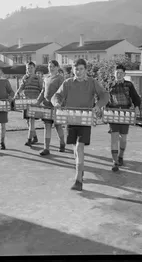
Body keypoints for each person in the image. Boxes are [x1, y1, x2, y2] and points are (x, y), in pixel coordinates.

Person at [52, 58, 110, 191]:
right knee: (74, 148)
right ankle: (80, 169)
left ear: (86, 70)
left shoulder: (92, 82)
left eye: (81, 69)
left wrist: (98, 106)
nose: (78, 72)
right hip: (70, 120)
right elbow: (56, 96)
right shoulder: (67, 83)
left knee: (79, 148)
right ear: (73, 70)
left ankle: (78, 180)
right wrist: (57, 103)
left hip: (85, 120)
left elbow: (104, 95)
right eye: (76, 69)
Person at [107, 64, 141, 172]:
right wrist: (103, 108)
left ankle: (121, 156)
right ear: (114, 74)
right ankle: (115, 161)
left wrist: (136, 107)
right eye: (117, 72)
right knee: (114, 138)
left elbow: (135, 97)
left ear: (124, 74)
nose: (119, 74)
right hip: (113, 113)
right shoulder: (109, 85)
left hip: (126, 113)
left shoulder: (129, 85)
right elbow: (105, 98)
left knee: (123, 138)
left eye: (121, 73)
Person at [36, 60, 66, 156]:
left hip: (56, 106)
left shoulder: (60, 78)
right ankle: (46, 148)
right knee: (47, 126)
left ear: (57, 67)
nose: (51, 68)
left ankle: (62, 143)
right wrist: (38, 101)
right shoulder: (46, 78)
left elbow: (63, 93)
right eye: (49, 66)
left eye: (53, 66)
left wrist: (60, 104)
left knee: (58, 126)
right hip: (46, 106)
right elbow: (43, 91)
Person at [14, 62, 43, 146]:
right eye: (27, 68)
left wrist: (40, 100)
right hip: (26, 102)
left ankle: (29, 139)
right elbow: (21, 87)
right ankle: (35, 137)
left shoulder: (38, 78)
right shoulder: (25, 77)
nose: (29, 69)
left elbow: (42, 89)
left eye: (31, 68)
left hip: (34, 102)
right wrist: (17, 94)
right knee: (28, 121)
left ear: (34, 68)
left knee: (32, 121)